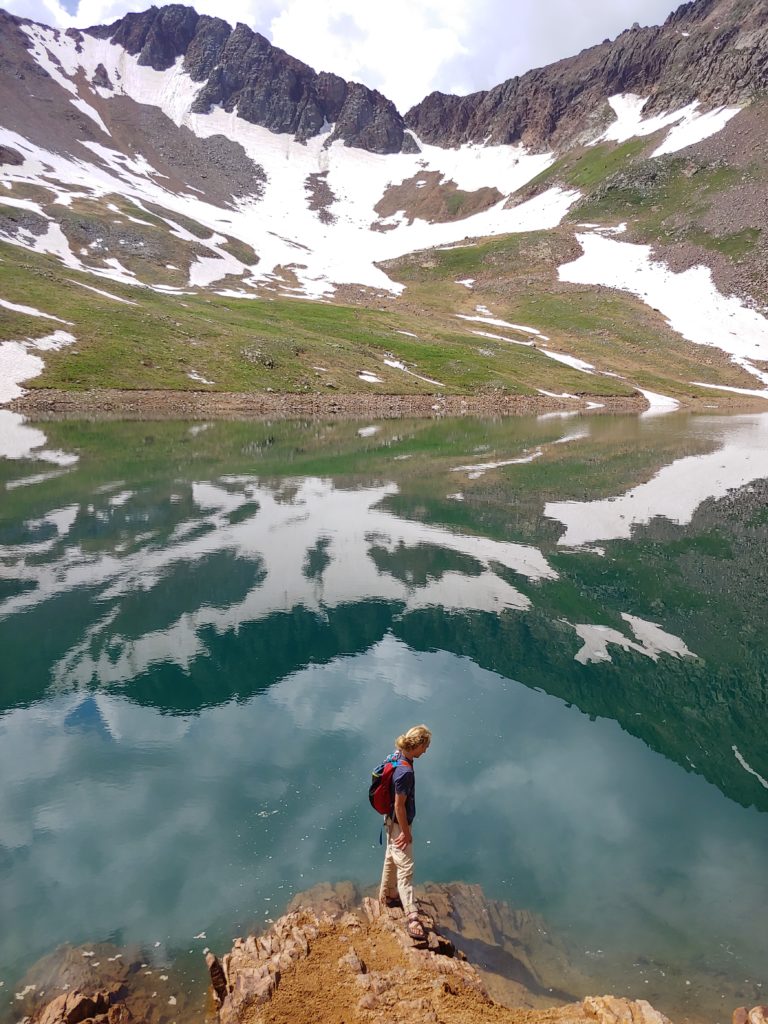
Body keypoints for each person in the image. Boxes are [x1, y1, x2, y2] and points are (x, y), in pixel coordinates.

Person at [378, 724, 432, 940]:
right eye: (425, 746)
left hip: (389, 819)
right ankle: (411, 916)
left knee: (391, 856)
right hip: (399, 821)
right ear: (417, 745)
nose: (426, 751)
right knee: (406, 868)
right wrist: (406, 832)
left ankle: (388, 895)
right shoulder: (405, 772)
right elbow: (400, 805)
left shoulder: (397, 756)